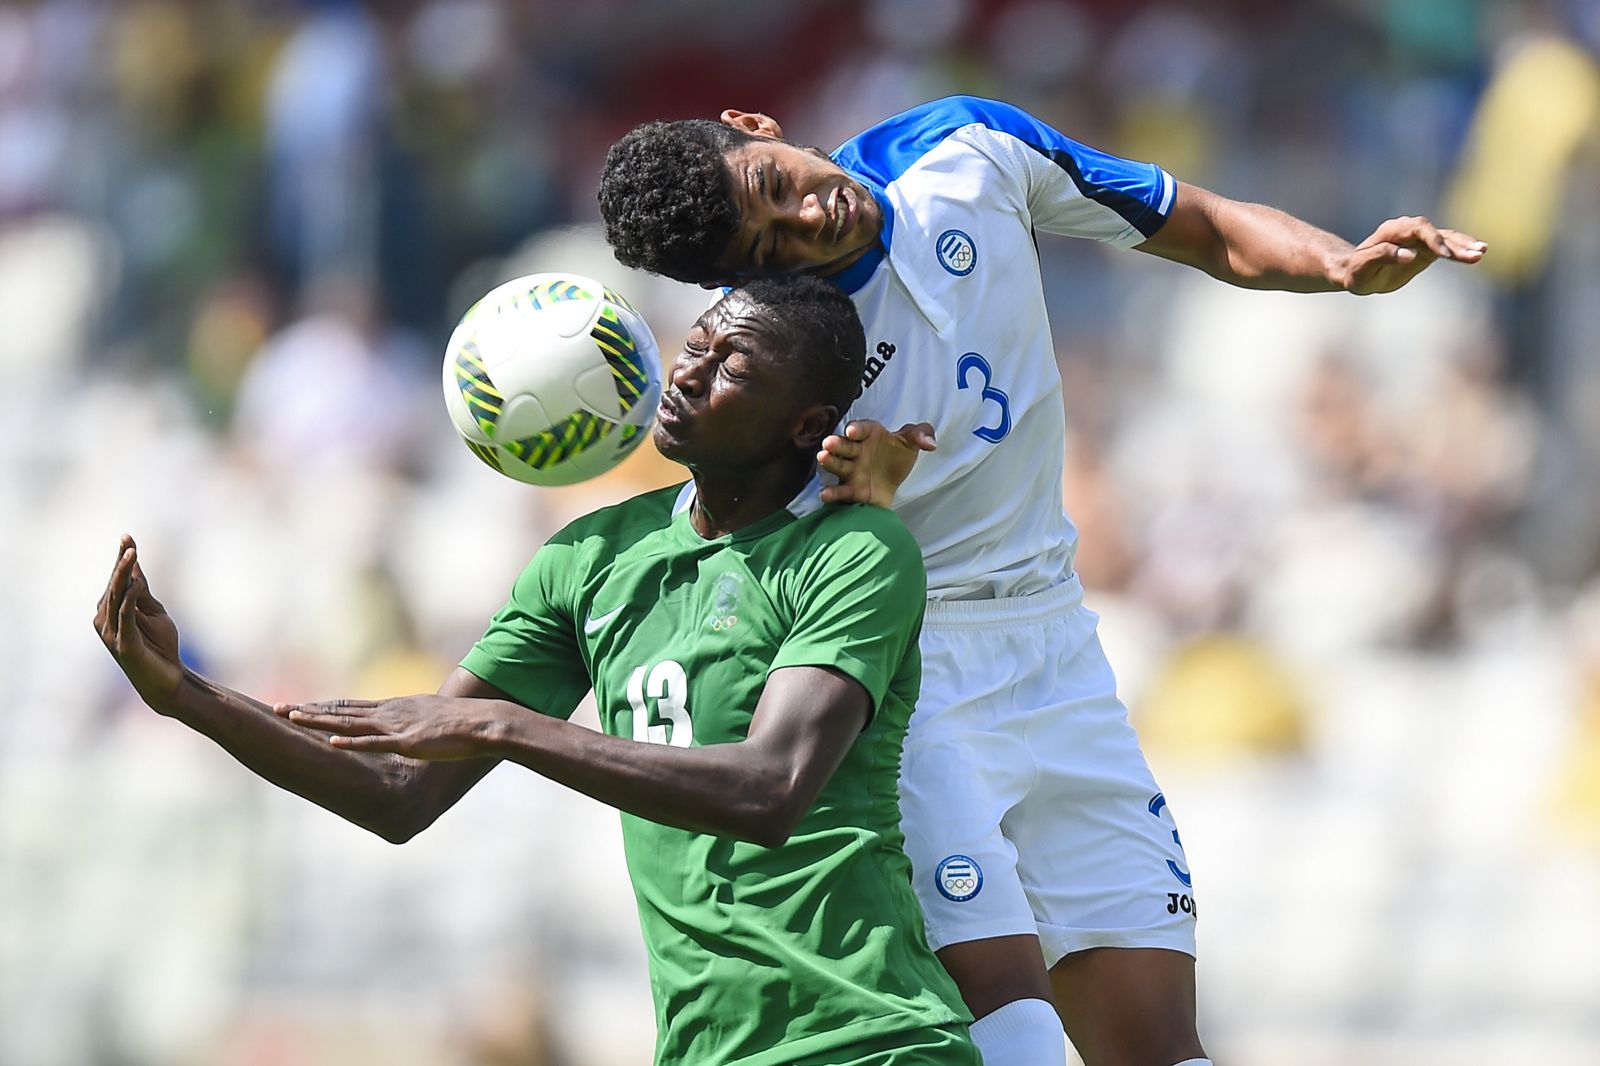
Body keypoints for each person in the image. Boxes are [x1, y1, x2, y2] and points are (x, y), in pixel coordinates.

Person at [597, 95, 1489, 1066]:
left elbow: (1204, 228)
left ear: (757, 126)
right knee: (1016, 1038)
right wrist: (862, 503)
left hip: (1059, 651)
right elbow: (755, 567)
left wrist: (1340, 266)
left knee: (1160, 1048)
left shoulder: (965, 148)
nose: (808, 217)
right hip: (910, 684)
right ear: (734, 281)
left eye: (777, 187)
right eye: (770, 247)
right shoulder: (771, 363)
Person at [94, 276, 981, 1066]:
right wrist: (186, 697)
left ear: (808, 425)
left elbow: (771, 789)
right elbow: (402, 792)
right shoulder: (592, 558)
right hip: (705, 1047)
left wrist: (505, 727)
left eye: (733, 367)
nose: (688, 375)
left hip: (868, 1037)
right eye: (696, 345)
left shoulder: (856, 552)